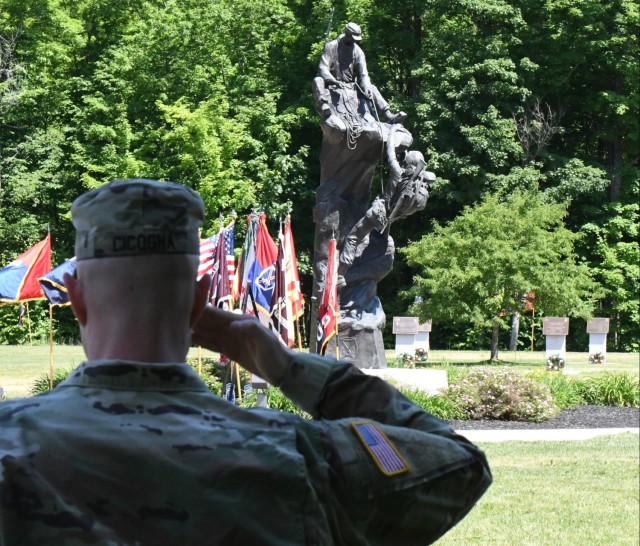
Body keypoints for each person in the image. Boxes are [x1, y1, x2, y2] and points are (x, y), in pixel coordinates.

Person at [0, 178, 491, 545]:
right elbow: (460, 465)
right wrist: (289, 368)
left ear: (76, 299)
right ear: (198, 299)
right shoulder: (297, 456)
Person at [314, 22, 406, 125]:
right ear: (347, 34)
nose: (355, 41)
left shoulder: (358, 51)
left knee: (372, 88)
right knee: (317, 80)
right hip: (332, 83)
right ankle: (324, 106)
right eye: (353, 37)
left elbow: (363, 74)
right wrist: (334, 81)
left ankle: (388, 115)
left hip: (350, 85)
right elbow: (323, 68)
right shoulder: (331, 46)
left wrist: (366, 87)